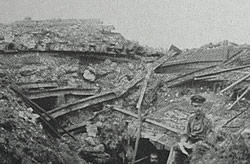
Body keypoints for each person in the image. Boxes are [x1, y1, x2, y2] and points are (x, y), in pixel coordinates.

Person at [167, 95, 213, 164]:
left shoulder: (208, 120)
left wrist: (193, 146)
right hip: (191, 142)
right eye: (195, 106)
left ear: (203, 106)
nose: (198, 109)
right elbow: (186, 134)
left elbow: (209, 139)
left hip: (201, 145)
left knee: (194, 158)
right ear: (192, 106)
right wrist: (182, 143)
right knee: (176, 150)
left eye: (199, 106)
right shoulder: (191, 119)